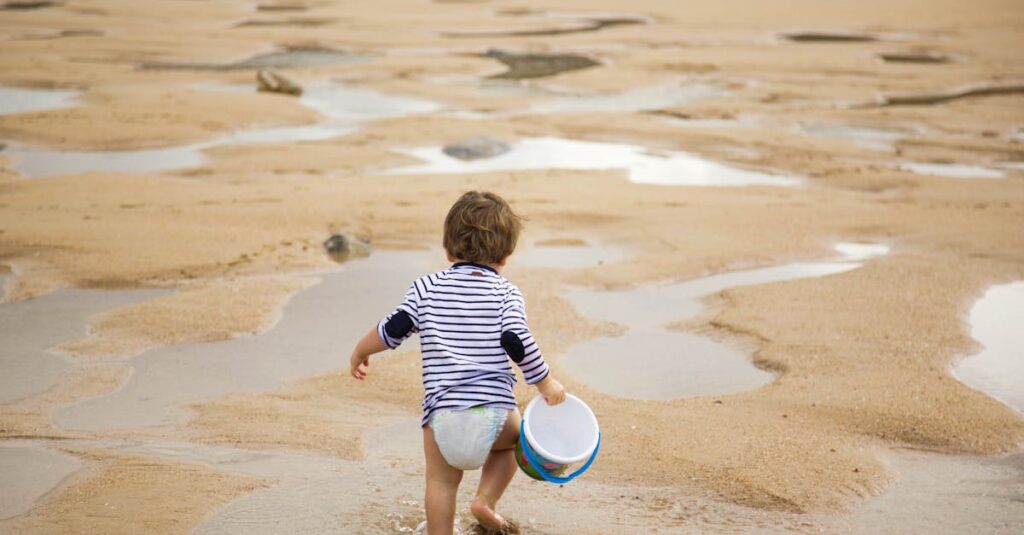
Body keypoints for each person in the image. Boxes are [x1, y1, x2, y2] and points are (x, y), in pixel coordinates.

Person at [349, 190, 566, 535]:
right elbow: (516, 341)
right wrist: (545, 383)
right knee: (515, 442)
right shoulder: (506, 293)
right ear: (506, 255)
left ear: (448, 249)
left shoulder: (426, 287)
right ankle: (485, 501)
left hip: (443, 417)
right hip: (494, 413)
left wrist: (362, 350)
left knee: (440, 482)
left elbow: (395, 328)